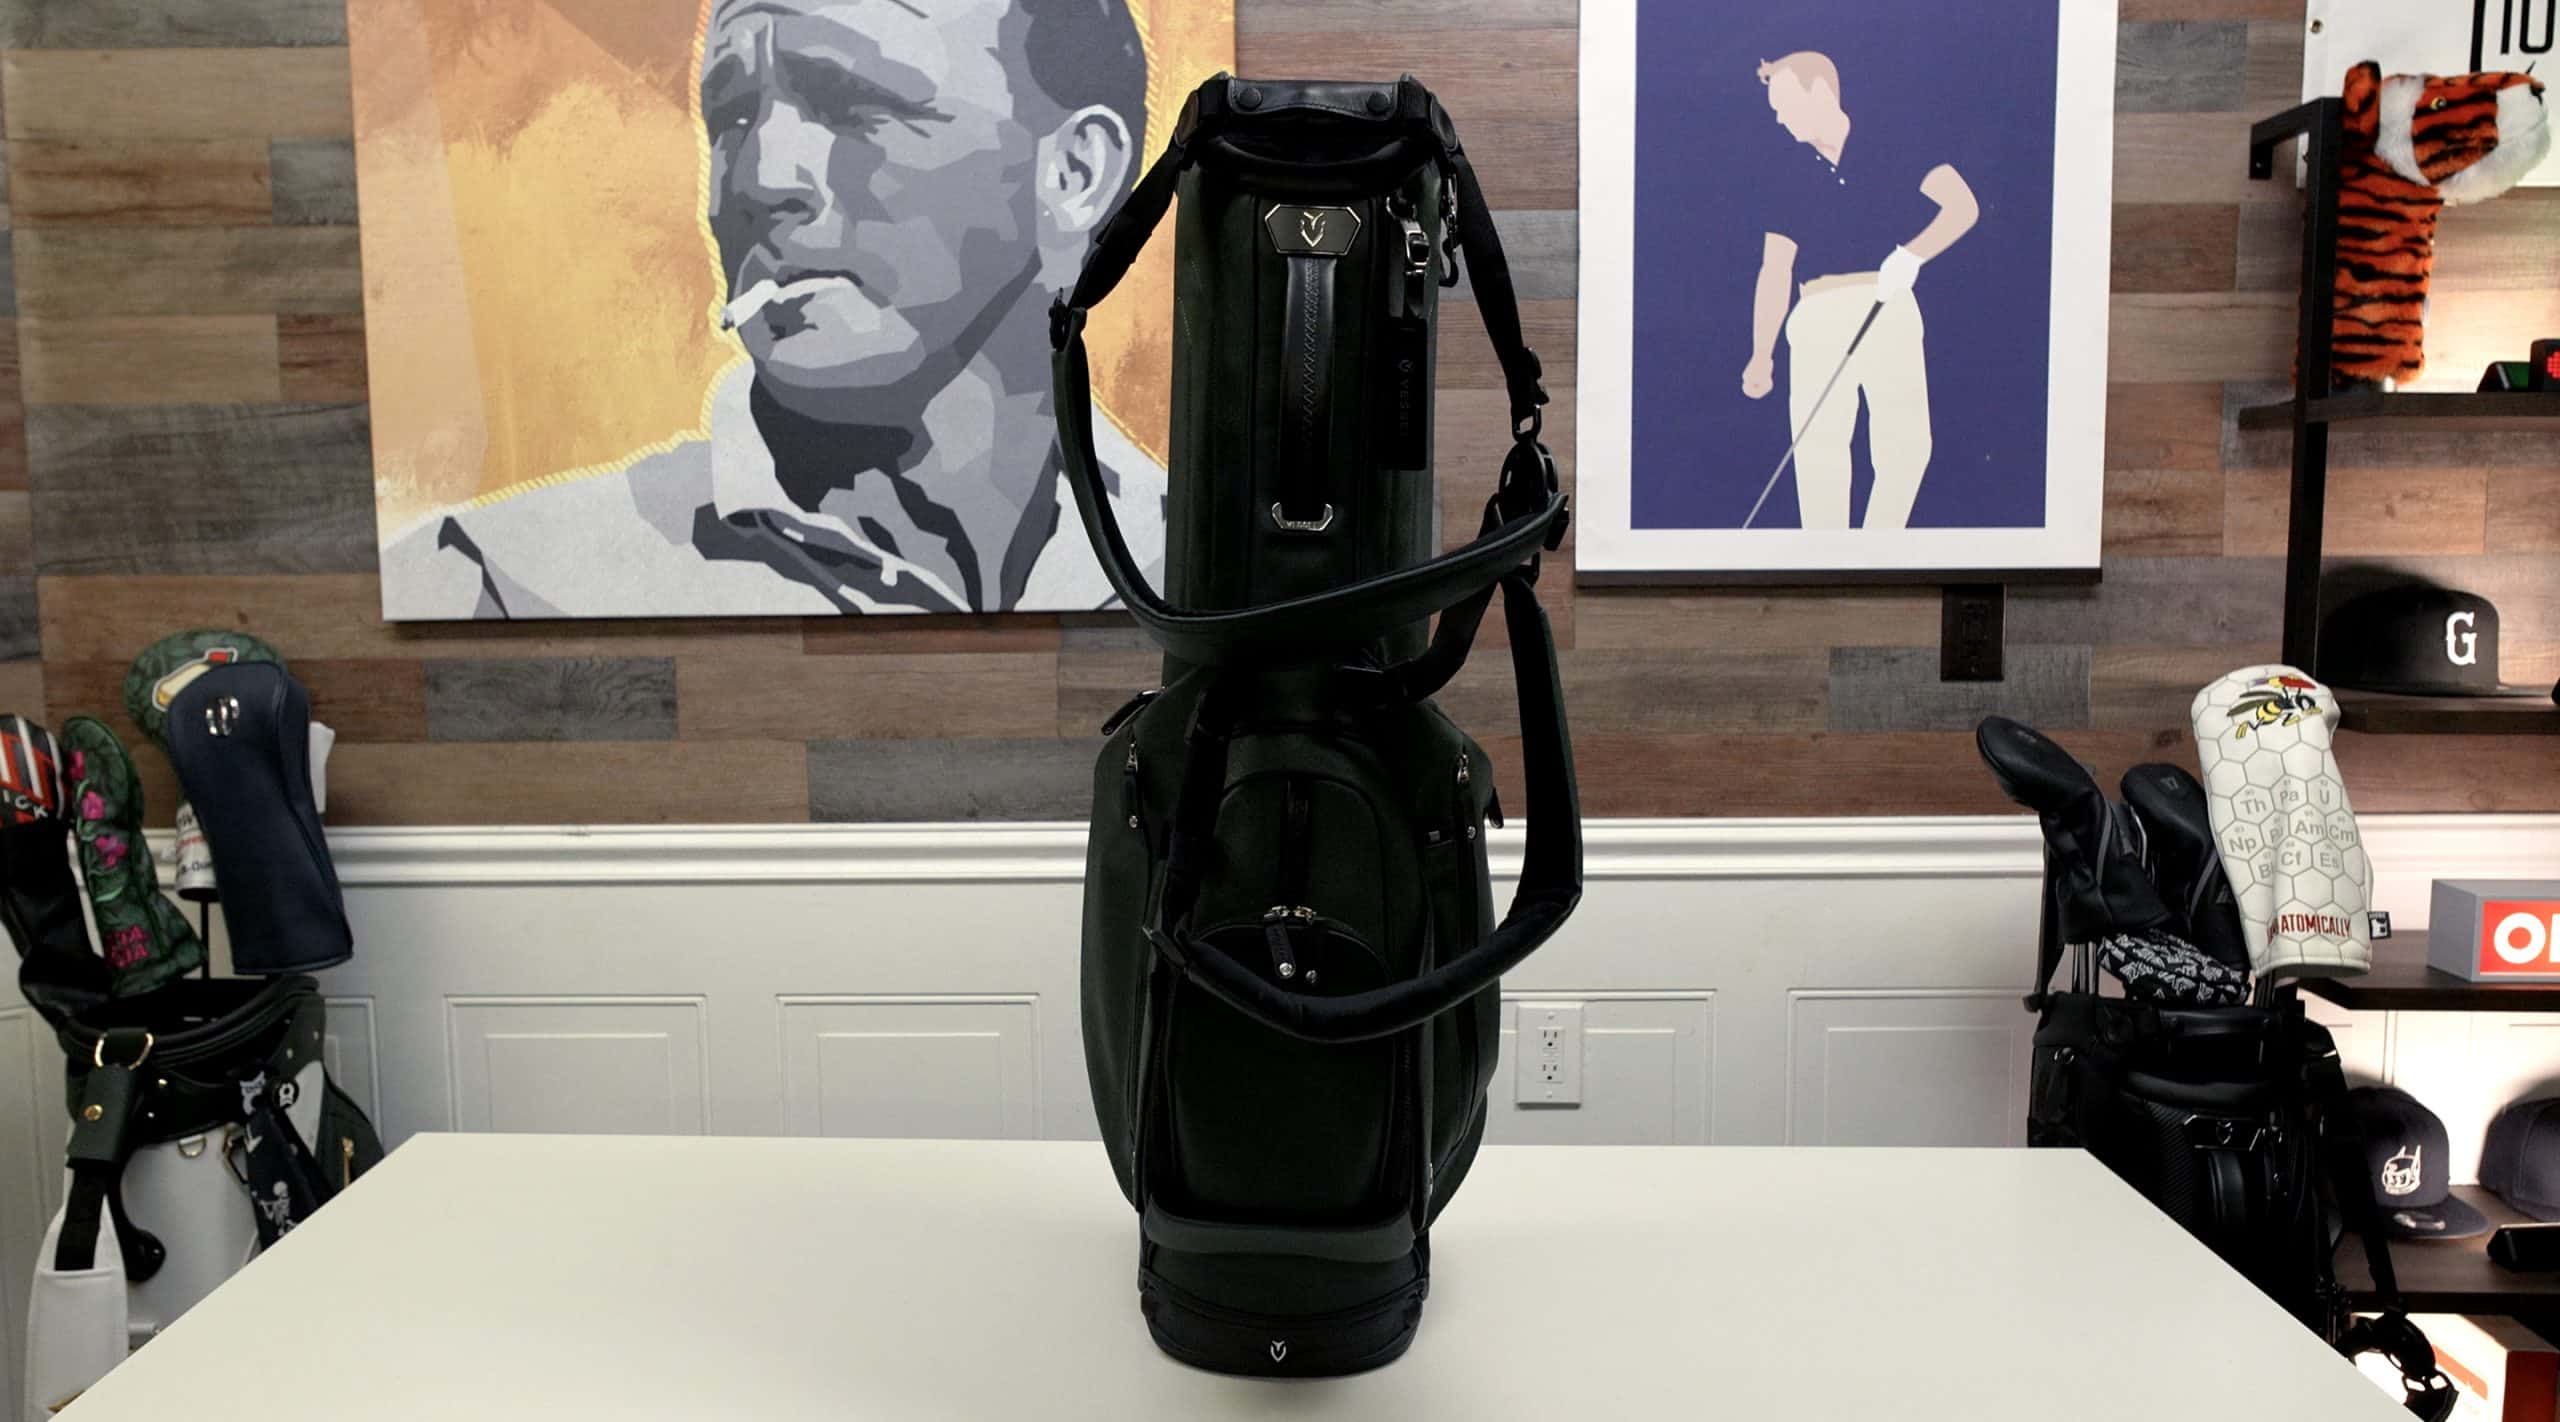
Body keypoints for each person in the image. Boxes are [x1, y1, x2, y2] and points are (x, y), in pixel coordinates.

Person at [382, 0, 1165, 616]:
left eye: (854, 103)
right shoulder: (500, 581)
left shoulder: (1199, 563)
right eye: (733, 117)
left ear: (1072, 176)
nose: (758, 178)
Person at [1738, 51, 1978, 532]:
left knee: (1907, 448)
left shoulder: (1895, 142)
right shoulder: (1782, 173)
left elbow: (1962, 205)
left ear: (1821, 92)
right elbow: (1775, 269)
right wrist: (1761, 354)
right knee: (1818, 451)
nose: (1778, 117)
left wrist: (1912, 255)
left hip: (1888, 306)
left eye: (1784, 102)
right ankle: (1827, 563)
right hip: (1817, 317)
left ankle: (1878, 550)